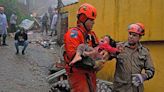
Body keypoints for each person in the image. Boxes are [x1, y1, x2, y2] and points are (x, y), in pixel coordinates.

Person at [63, 3, 110, 92]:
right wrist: (95, 64)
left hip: (90, 73)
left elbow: (98, 49)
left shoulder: (91, 35)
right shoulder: (73, 34)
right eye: (91, 20)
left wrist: (106, 53)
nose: (93, 22)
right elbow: (73, 57)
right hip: (78, 74)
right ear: (83, 19)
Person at [112, 23, 155, 92]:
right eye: (130, 34)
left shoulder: (144, 52)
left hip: (136, 89)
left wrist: (143, 76)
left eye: (134, 35)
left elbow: (151, 70)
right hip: (120, 89)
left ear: (140, 37)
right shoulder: (120, 47)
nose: (131, 36)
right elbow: (107, 56)